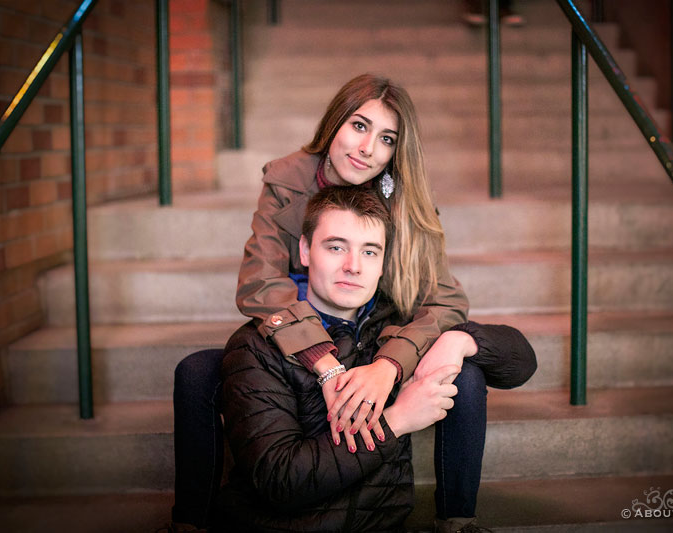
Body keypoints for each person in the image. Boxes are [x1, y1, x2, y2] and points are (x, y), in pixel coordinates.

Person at [171, 74, 527, 533]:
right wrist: (324, 361)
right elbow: (259, 282)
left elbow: (446, 299)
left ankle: (457, 519)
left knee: (465, 375)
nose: (368, 149)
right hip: (297, 332)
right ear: (335, 123)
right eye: (359, 126)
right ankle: (190, 522)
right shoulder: (288, 179)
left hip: (374, 334)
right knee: (199, 372)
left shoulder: (407, 197)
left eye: (386, 139)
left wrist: (391, 365)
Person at [213, 186, 537, 531]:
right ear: (305, 251)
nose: (353, 266)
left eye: (369, 252)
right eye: (336, 247)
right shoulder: (256, 345)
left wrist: (460, 340)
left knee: (466, 370)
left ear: (383, 263)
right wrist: (398, 420)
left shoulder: (400, 326)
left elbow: (521, 363)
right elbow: (281, 481)